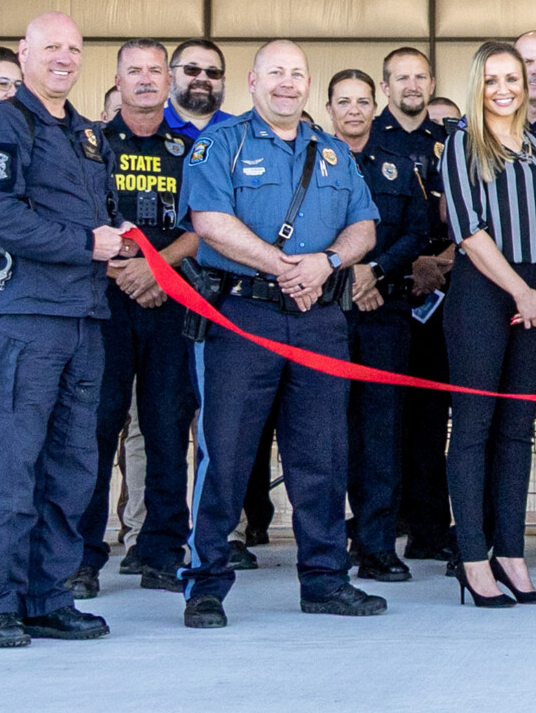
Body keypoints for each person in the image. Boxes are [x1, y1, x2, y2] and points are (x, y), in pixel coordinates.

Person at [179, 41, 386, 624]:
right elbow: (209, 222)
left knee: (322, 456)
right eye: (276, 73)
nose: (287, 84)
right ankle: (205, 584)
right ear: (253, 81)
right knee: (226, 454)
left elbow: (364, 225)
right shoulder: (221, 143)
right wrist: (283, 266)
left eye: (297, 74)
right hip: (243, 316)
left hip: (318, 318)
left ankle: (325, 580)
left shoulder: (333, 153)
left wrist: (324, 262)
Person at [0, 13, 121, 648]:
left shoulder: (85, 134)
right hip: (24, 318)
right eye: (50, 47)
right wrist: (86, 243)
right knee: (10, 465)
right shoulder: (2, 123)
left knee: (71, 468)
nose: (64, 58)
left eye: (74, 49)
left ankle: (49, 596)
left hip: (83, 319)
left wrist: (114, 246)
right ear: (24, 54)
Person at [440, 40, 536, 606]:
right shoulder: (461, 144)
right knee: (473, 428)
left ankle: (512, 555)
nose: (503, 89)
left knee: (520, 430)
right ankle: (473, 559)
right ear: (478, 83)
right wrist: (522, 290)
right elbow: (469, 230)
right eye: (492, 79)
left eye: (512, 78)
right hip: (483, 292)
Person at [70, 40, 202, 597]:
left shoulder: (195, 146)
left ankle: (162, 552)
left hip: (170, 304)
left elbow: (207, 227)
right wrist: (123, 275)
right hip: (102, 304)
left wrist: (154, 270)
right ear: (117, 79)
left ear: (169, 80)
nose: (145, 80)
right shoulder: (87, 145)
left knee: (169, 430)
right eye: (134, 71)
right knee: (94, 429)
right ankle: (79, 557)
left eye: (155, 71)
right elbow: (71, 222)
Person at [330, 68, 430, 584]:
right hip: (324, 314)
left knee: (382, 434)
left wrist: (377, 271)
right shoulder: (312, 161)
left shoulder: (396, 166)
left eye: (362, 101)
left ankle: (377, 546)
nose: (353, 110)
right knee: (326, 433)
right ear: (329, 110)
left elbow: (418, 231)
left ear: (376, 106)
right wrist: (346, 272)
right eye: (343, 101)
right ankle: (327, 544)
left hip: (384, 315)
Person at [373, 46, 457, 563]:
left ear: (431, 83)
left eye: (419, 77)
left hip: (441, 293)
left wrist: (443, 262)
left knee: (431, 415)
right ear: (386, 87)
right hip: (378, 292)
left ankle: (428, 523)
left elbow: (477, 216)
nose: (411, 85)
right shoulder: (364, 141)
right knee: (378, 417)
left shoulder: (450, 143)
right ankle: (378, 523)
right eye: (400, 78)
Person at [163, 39, 237, 143]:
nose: (202, 78)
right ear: (170, 76)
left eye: (213, 72)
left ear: (223, 80)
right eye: (192, 69)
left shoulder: (241, 131)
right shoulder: (146, 127)